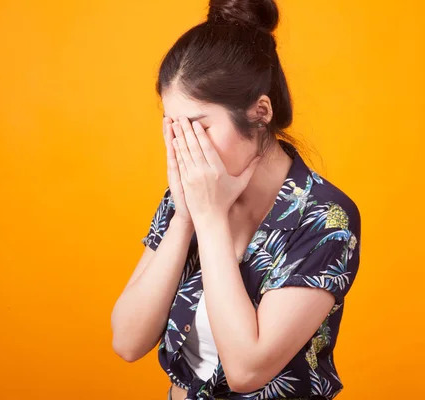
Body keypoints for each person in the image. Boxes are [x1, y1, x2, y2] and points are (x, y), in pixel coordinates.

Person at [111, 1, 362, 399]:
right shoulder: (188, 197)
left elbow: (247, 369)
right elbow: (127, 341)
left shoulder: (323, 217)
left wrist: (210, 221)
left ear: (260, 112)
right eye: (173, 129)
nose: (184, 147)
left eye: (199, 127)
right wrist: (185, 219)